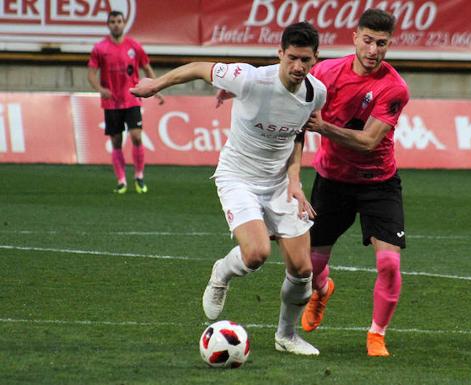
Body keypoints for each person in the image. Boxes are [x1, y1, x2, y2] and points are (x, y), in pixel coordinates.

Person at [130, 22, 327, 356]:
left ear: (315, 59)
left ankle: (286, 336)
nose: (298, 67)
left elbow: (298, 135)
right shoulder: (249, 78)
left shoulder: (315, 92)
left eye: (305, 60)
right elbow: (197, 68)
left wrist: (295, 181)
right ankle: (221, 272)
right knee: (257, 254)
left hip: (280, 183)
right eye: (292, 58)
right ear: (279, 53)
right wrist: (155, 84)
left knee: (303, 270)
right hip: (239, 177)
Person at [301, 8, 410, 357]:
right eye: (368, 40)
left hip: (379, 183)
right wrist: (238, 91)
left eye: (381, 43)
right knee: (310, 268)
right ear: (355, 37)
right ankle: (321, 292)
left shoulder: (394, 88)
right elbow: (286, 79)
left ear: (390, 44)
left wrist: (324, 128)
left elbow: (367, 141)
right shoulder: (325, 72)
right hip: (332, 181)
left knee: (389, 264)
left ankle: (377, 334)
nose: (374, 50)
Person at [87, 10, 164, 194]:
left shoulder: (134, 46)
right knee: (116, 141)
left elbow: (146, 67)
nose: (116, 24)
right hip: (112, 102)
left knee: (136, 136)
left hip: (132, 98)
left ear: (123, 23)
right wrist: (100, 89)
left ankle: (139, 176)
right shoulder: (100, 48)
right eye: (112, 21)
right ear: (108, 24)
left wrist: (157, 87)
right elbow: (91, 74)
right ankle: (121, 181)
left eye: (119, 21)